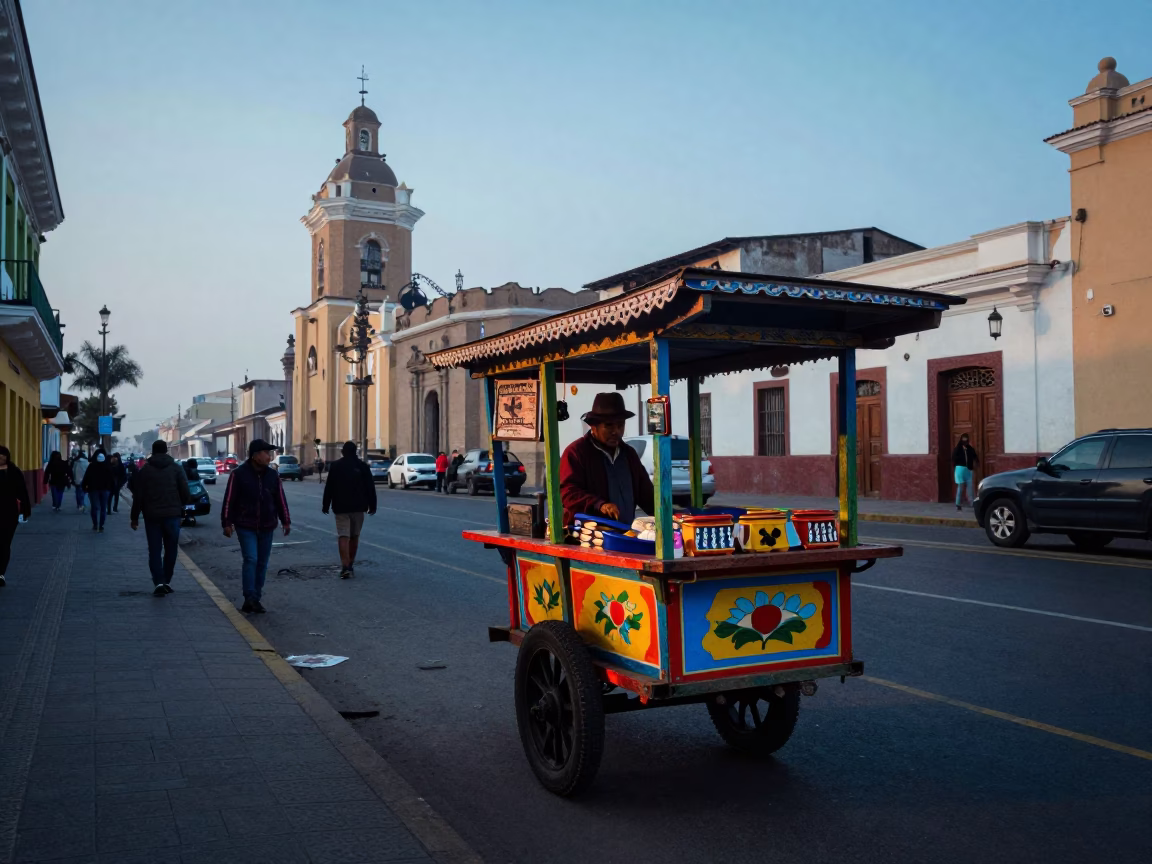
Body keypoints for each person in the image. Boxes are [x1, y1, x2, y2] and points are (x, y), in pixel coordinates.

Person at [559, 392, 654, 527]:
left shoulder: (629, 454)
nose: (616, 431)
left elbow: (646, 495)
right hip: (588, 537)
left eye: (620, 425)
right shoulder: (575, 452)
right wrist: (600, 505)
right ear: (593, 426)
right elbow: (568, 493)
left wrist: (669, 514)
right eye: (609, 425)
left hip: (624, 533)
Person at [221, 439, 291, 613]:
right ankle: (249, 596)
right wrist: (227, 522)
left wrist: (286, 520)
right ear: (255, 456)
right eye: (266, 453)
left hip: (267, 525)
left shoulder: (272, 475)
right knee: (251, 559)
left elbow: (280, 499)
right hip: (246, 525)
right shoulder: (238, 474)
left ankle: (256, 598)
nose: (269, 456)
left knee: (262, 563)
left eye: (269, 453)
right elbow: (229, 500)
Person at [130, 440, 191, 595]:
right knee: (171, 549)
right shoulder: (176, 469)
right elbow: (185, 492)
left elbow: (139, 496)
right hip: (172, 515)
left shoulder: (145, 471)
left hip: (152, 516)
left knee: (155, 550)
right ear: (166, 451)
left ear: (153, 451)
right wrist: (182, 505)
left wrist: (134, 517)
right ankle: (166, 580)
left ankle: (158, 582)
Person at [322, 441, 377, 579]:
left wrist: (325, 504)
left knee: (343, 536)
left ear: (343, 452)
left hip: (340, 507)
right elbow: (370, 487)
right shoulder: (363, 466)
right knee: (354, 536)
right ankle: (350, 564)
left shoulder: (335, 466)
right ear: (356, 451)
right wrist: (373, 504)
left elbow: (329, 487)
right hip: (359, 507)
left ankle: (345, 566)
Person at [0, 445, 31, 588]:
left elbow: (22, 491)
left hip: (9, 513)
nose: (0, 457)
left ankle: (1, 573)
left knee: (5, 543)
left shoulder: (13, 471)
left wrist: (25, 509)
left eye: (3, 454)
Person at [82, 448, 115, 532]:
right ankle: (101, 526)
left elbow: (86, 477)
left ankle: (95, 524)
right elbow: (112, 480)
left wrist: (84, 487)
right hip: (105, 490)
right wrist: (112, 489)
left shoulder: (91, 466)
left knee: (94, 507)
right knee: (103, 508)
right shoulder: (108, 467)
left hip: (93, 490)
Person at [953, 433, 980, 510]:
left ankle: (972, 502)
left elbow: (975, 456)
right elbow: (954, 459)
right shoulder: (957, 449)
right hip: (960, 470)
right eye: (963, 439)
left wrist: (976, 463)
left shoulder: (970, 449)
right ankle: (958, 503)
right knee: (960, 487)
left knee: (970, 487)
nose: (965, 441)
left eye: (966, 439)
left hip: (969, 470)